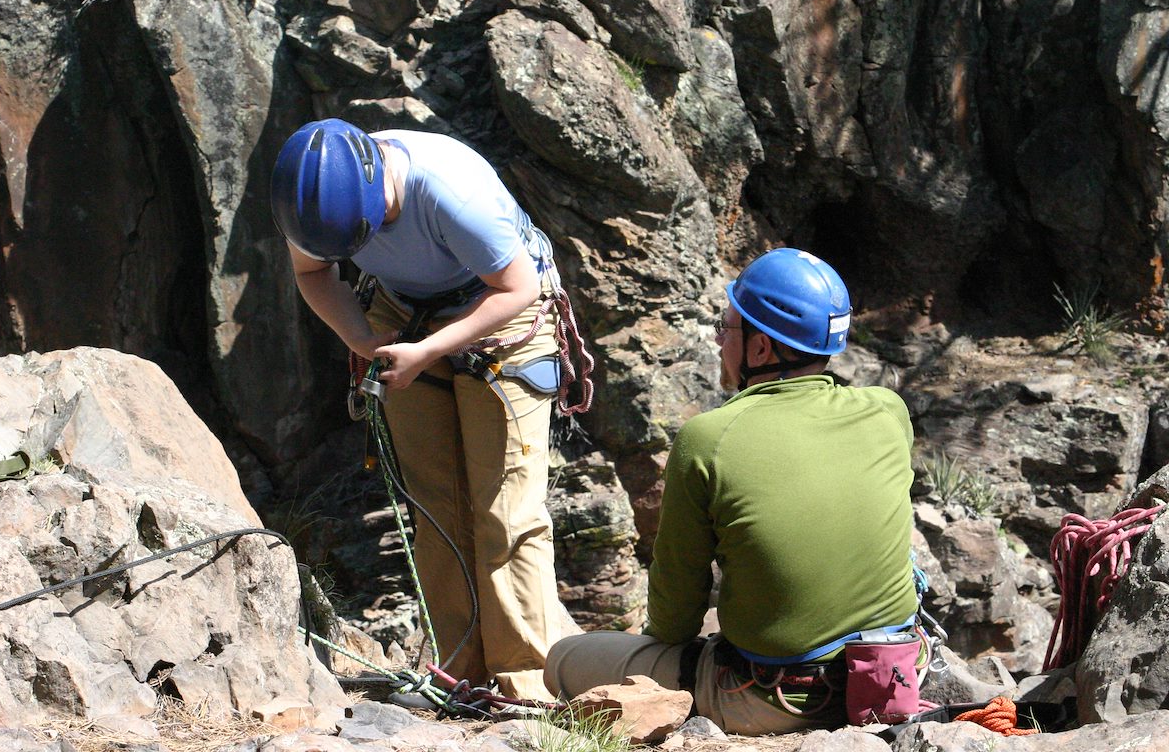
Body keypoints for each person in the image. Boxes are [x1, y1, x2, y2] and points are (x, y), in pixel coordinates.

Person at [543, 248, 918, 733]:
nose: (721, 340)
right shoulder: (887, 410)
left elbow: (675, 619)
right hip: (893, 676)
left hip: (775, 699)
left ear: (761, 349)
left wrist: (659, 649)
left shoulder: (709, 438)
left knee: (565, 657)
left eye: (727, 327)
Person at [270, 118, 576, 701]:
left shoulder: (451, 191)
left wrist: (430, 350)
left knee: (506, 511)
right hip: (401, 312)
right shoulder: (311, 200)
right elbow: (313, 273)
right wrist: (363, 340)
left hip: (500, 312)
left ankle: (527, 685)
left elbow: (518, 288)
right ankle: (461, 674)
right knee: (435, 504)